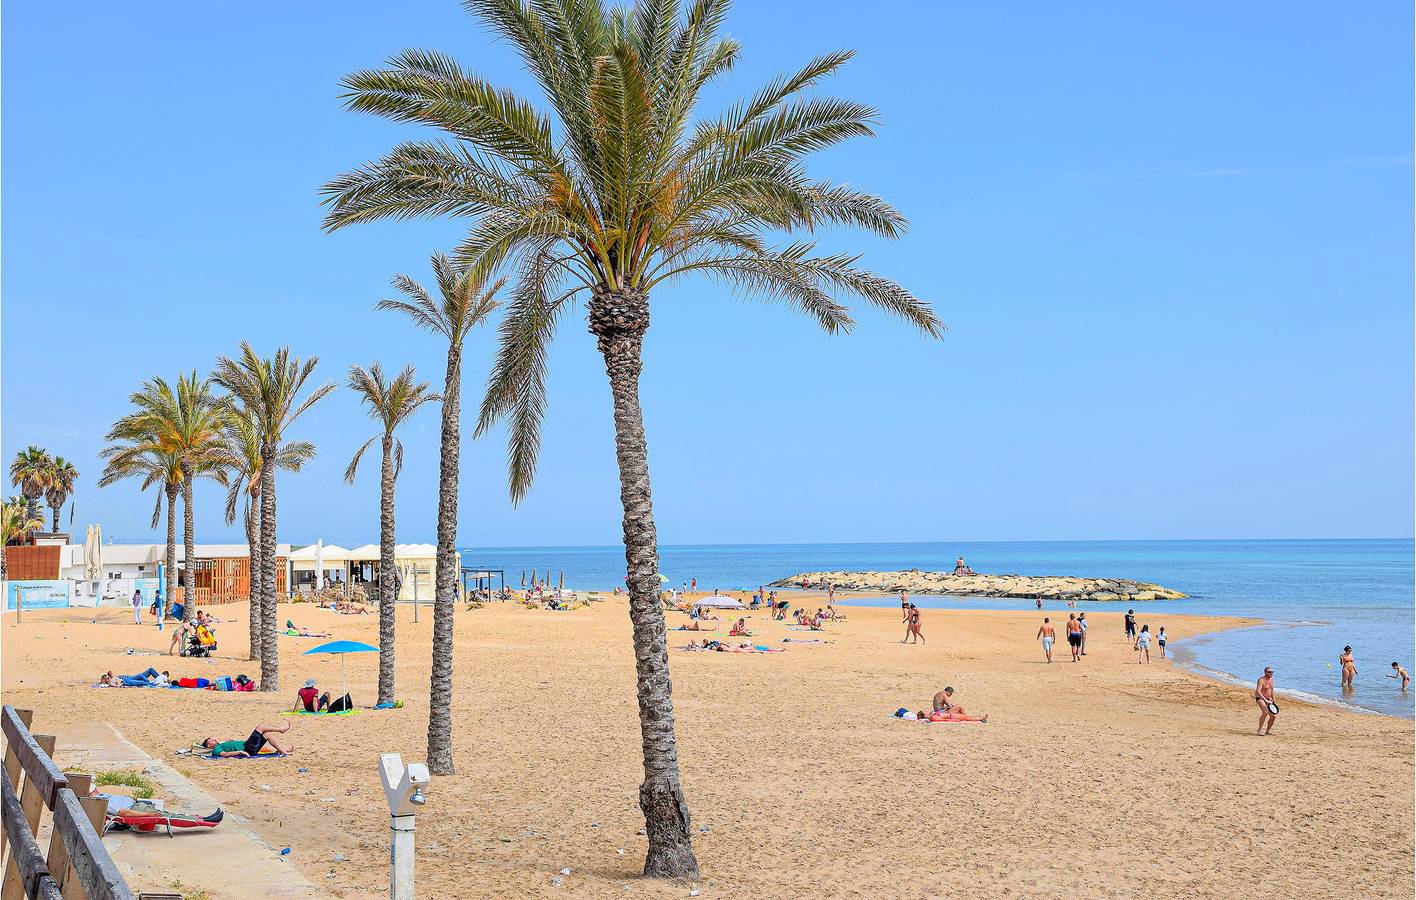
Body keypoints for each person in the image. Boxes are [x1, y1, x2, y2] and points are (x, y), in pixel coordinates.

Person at [203, 722, 294, 757]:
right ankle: (281, 730)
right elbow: (225, 754)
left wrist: (229, 742)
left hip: (249, 747)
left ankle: (283, 751)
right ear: (208, 745)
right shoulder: (216, 749)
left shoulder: (220, 744)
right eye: (210, 740)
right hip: (247, 748)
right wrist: (240, 752)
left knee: (267, 734)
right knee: (261, 726)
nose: (213, 739)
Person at [1255, 667, 1277, 736]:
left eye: (1272, 672)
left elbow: (1271, 690)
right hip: (1260, 698)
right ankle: (1260, 730)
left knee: (1273, 716)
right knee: (1265, 712)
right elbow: (1258, 691)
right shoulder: (1261, 680)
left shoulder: (1271, 679)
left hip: (1269, 699)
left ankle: (1268, 731)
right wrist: (1265, 700)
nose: (1271, 673)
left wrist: (1273, 700)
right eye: (1269, 672)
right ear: (1265, 672)